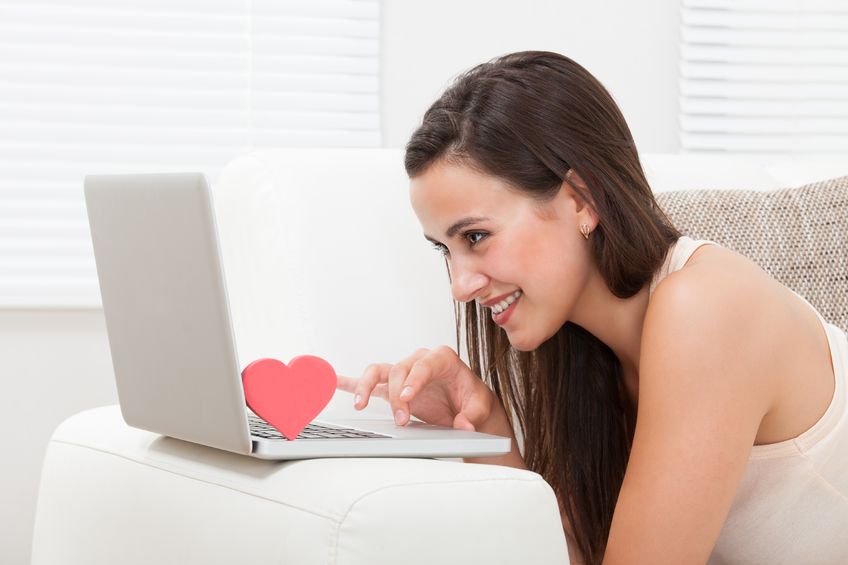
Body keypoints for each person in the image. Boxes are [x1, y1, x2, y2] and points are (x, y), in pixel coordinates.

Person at [336, 51, 848, 564]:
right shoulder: (583, 352)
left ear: (581, 199)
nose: (460, 285)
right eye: (444, 250)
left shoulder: (704, 309)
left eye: (476, 236)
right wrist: (485, 425)